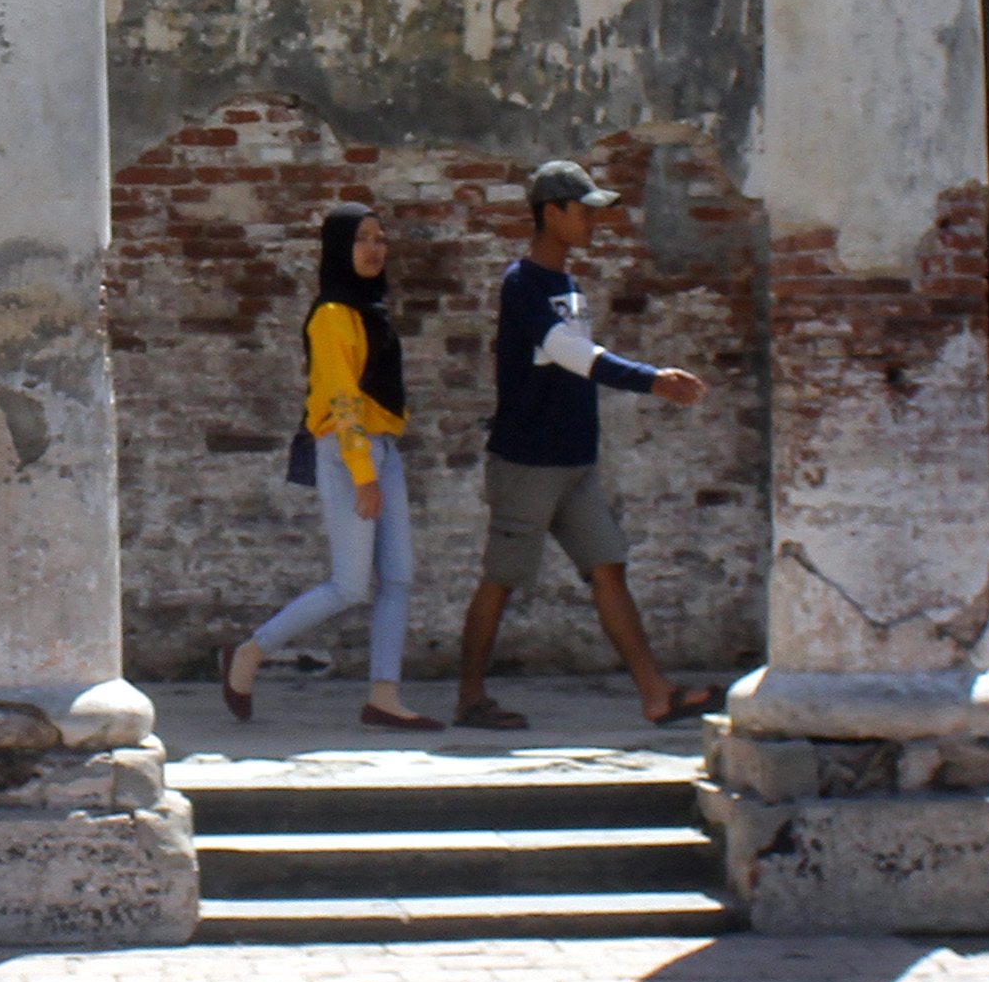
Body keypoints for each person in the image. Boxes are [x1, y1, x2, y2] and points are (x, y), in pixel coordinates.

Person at [452, 159, 713, 731]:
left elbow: (575, 362)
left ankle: (655, 693)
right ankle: (470, 697)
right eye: (584, 210)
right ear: (553, 213)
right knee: (501, 579)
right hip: (527, 462)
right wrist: (651, 379)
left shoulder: (569, 286)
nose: (595, 222)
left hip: (573, 462)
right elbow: (572, 355)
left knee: (608, 567)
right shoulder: (521, 283)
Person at [224, 206, 435, 730]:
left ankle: (384, 696)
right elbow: (341, 399)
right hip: (348, 452)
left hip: (382, 447)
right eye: (362, 239)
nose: (373, 249)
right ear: (339, 248)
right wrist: (363, 472)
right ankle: (249, 653)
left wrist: (379, 457)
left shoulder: (371, 309)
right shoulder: (332, 314)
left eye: (381, 240)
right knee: (350, 585)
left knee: (399, 576)